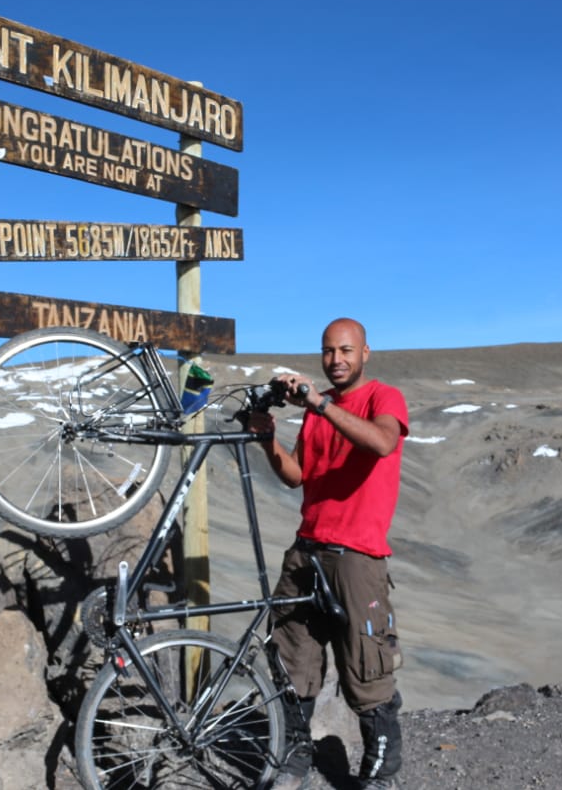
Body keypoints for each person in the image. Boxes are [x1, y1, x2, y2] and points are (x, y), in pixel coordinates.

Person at [248, 317, 408, 790]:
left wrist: (317, 403)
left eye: (345, 351)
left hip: (357, 557)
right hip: (306, 551)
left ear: (364, 353)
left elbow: (381, 442)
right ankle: (294, 760)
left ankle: (380, 776)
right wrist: (266, 438)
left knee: (367, 669)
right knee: (292, 660)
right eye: (327, 351)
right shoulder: (320, 416)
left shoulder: (384, 398)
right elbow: (298, 475)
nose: (335, 360)